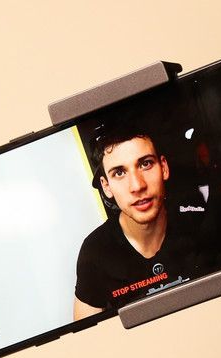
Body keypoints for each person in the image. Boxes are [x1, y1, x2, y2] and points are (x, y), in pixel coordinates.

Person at [73, 124, 199, 317]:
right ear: (106, 186)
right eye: (119, 173)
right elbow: (86, 333)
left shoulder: (200, 222)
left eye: (145, 164)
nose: (137, 185)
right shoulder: (95, 252)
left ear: (164, 168)